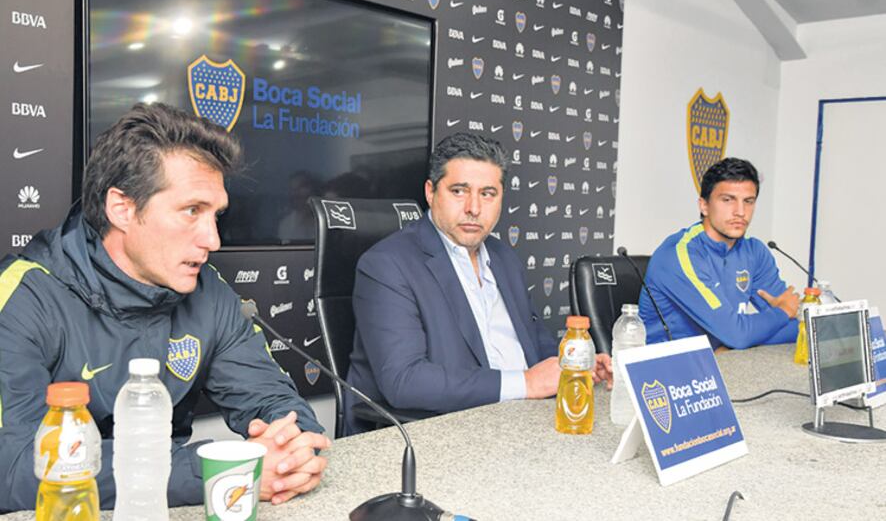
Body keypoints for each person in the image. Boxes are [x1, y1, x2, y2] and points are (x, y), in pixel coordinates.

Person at [0, 103, 330, 512]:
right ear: (122, 208)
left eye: (216, 215)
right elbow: (11, 467)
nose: (212, 240)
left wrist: (295, 448)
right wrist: (215, 471)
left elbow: (274, 402)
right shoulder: (22, 296)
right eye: (192, 211)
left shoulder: (209, 292)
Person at [345, 132, 612, 435]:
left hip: (521, 423)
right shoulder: (387, 265)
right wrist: (526, 383)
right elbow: (405, 381)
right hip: (439, 435)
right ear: (431, 192)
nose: (474, 207)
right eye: (459, 191)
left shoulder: (503, 257)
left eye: (487, 193)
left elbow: (534, 343)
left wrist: (574, 366)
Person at [639, 157, 800, 349]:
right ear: (704, 206)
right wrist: (781, 313)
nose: (740, 212)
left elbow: (797, 328)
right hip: (668, 371)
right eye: (728, 200)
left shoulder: (754, 252)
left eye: (748, 201)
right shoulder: (680, 254)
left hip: (725, 363)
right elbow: (739, 334)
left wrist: (733, 342)